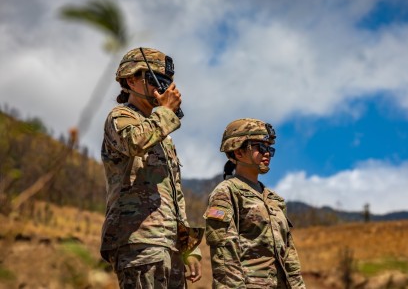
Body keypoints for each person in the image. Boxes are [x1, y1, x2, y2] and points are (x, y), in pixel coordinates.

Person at [100, 47, 203, 288]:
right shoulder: (120, 116)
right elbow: (134, 141)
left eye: (167, 82)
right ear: (131, 80)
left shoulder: (162, 134)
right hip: (138, 240)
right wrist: (166, 112)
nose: (162, 87)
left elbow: (175, 193)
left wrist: (188, 247)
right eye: (154, 79)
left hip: (170, 244)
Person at [204, 118, 306, 288]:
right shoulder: (227, 192)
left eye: (270, 149)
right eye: (261, 147)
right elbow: (224, 254)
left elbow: (289, 255)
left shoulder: (275, 199)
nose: (267, 153)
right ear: (238, 152)